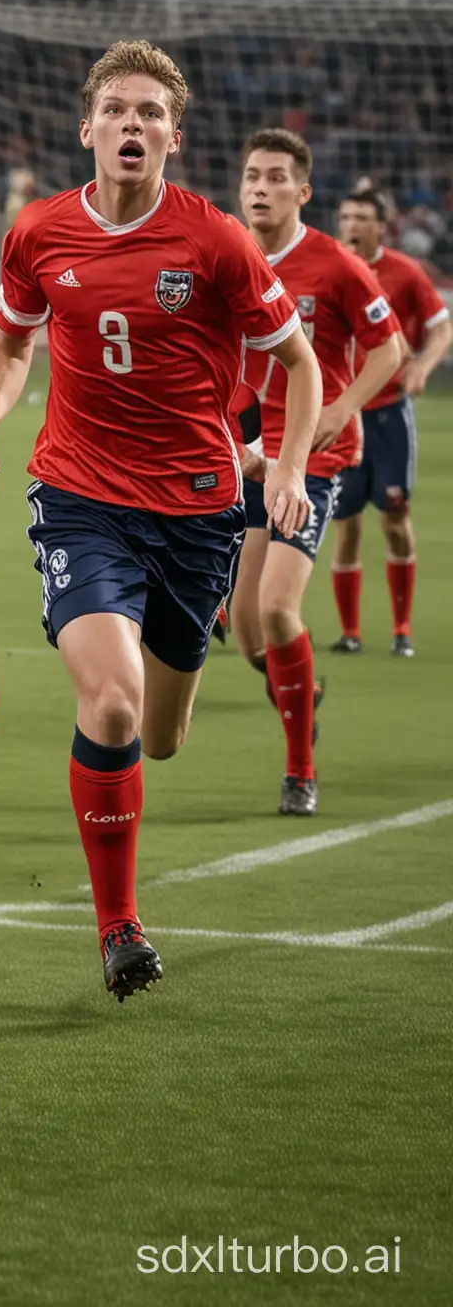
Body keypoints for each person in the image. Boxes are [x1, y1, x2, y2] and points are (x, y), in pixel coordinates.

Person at [0, 41, 321, 1001]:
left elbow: (302, 367)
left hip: (198, 513)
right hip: (80, 500)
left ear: (173, 138)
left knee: (159, 737)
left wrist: (283, 469)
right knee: (109, 703)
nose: (132, 124)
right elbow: (9, 343)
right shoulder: (38, 233)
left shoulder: (216, 241)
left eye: (151, 113)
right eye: (116, 108)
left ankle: (167, 743)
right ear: (87, 129)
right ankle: (118, 927)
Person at [226, 132, 402, 816]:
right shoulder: (225, 256)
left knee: (276, 608)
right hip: (246, 458)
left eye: (275, 178)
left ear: (303, 192)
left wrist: (343, 407)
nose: (260, 188)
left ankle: (300, 768)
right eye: (251, 177)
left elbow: (388, 350)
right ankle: (301, 695)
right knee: (247, 634)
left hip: (311, 460)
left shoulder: (335, 266)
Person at [329, 188, 451, 657]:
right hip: (343, 412)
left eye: (362, 217)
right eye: (346, 215)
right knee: (347, 525)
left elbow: (442, 327)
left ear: (382, 226)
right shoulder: (331, 266)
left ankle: (401, 628)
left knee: (396, 519)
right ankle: (350, 632)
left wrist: (421, 366)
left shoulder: (405, 273)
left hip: (387, 414)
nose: (352, 224)